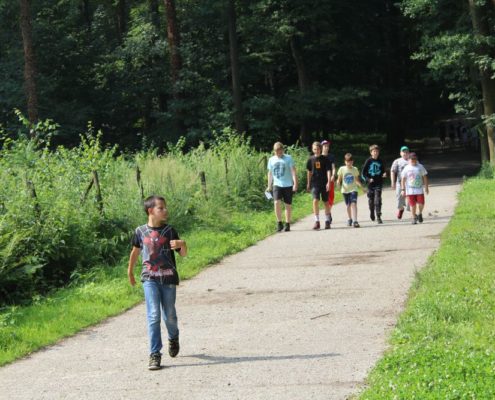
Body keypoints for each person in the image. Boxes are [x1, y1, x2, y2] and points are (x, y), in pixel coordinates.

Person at [128, 195, 188, 370]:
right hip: (149, 279)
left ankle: (173, 336)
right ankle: (155, 354)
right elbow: (135, 251)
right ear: (150, 211)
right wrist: (130, 271)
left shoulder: (170, 231)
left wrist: (183, 244)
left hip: (168, 278)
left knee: (169, 315)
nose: (165, 210)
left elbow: (182, 254)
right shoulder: (140, 231)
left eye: (165, 207)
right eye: (161, 208)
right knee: (153, 315)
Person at [267, 142, 298, 232]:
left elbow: (293, 172)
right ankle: (279, 223)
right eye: (277, 152)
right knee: (276, 202)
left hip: (288, 185)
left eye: (280, 152)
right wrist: (269, 186)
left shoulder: (288, 158)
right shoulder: (271, 160)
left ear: (283, 150)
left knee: (287, 205)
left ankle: (287, 223)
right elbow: (270, 173)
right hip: (277, 185)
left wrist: (295, 183)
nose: (279, 154)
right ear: (274, 151)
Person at [306, 141, 331, 230]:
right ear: (312, 149)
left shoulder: (325, 159)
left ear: (321, 149)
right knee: (315, 201)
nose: (316, 151)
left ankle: (327, 220)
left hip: (324, 183)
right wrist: (308, 183)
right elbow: (309, 172)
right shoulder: (310, 159)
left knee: (326, 202)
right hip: (314, 183)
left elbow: (328, 171)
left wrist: (328, 182)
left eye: (318, 149)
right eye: (315, 149)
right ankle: (317, 221)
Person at [337, 153, 365, 228]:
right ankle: (349, 218)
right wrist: (338, 185)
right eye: (347, 161)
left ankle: (355, 221)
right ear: (345, 162)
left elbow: (357, 180)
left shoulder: (355, 169)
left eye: (350, 161)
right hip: (345, 190)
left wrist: (362, 188)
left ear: (352, 162)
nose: (348, 163)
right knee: (348, 205)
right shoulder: (342, 169)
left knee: (353, 204)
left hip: (353, 189)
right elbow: (339, 179)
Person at [400, 153, 429, 224]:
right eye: (412, 159)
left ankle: (419, 213)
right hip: (410, 190)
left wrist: (426, 187)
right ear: (409, 160)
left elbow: (425, 177)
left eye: (415, 159)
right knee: (412, 205)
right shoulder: (406, 168)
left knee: (421, 203)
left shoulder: (420, 167)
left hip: (419, 190)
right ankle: (413, 218)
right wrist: (403, 190)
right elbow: (403, 179)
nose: (414, 160)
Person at [361, 144, 386, 224]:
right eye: (374, 151)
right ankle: (372, 211)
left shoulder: (381, 161)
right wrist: (368, 179)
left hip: (378, 183)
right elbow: (363, 173)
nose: (375, 153)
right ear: (371, 152)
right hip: (370, 185)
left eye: (377, 151)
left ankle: (378, 216)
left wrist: (384, 174)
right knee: (371, 201)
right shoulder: (368, 161)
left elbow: (383, 171)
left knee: (377, 200)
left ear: (378, 152)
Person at [390, 145, 410, 219]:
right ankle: (401, 209)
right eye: (403, 152)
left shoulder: (411, 160)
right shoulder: (397, 161)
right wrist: (393, 182)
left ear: (409, 153)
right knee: (399, 198)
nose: (405, 153)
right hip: (399, 183)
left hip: (410, 183)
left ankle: (413, 213)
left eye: (406, 152)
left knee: (410, 198)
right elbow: (392, 171)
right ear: (400, 153)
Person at [321, 140, 336, 228]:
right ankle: (328, 214)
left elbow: (333, 167)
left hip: (330, 179)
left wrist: (333, 175)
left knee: (331, 197)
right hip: (322, 180)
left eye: (327, 146)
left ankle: (329, 212)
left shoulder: (331, 156)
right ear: (322, 147)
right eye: (325, 146)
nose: (326, 147)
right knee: (325, 198)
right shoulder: (320, 156)